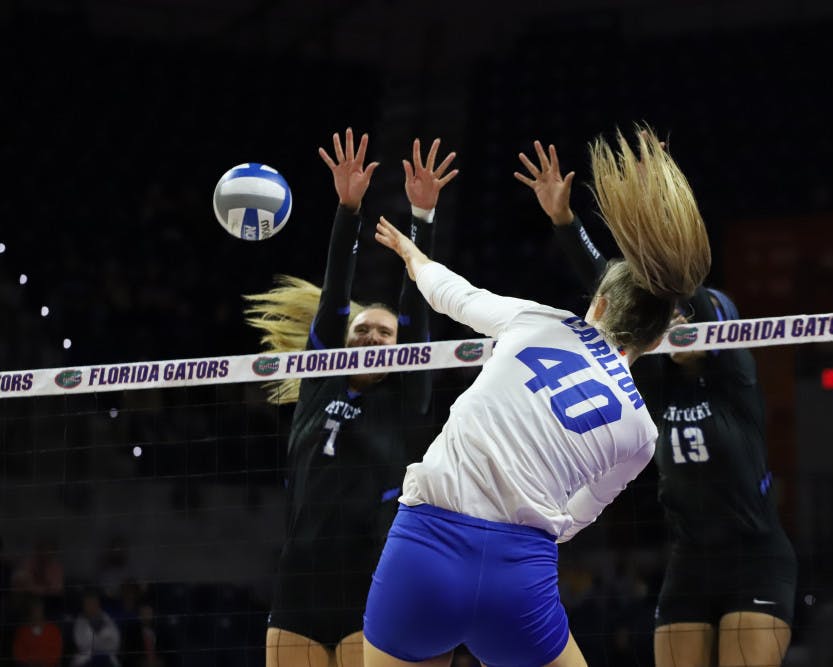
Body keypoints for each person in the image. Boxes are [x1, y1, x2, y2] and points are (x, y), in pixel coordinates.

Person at [362, 125, 711, 667]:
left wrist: (413, 251)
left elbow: (453, 294)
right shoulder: (641, 433)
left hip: (425, 550)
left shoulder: (541, 321)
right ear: (657, 338)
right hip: (518, 573)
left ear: (596, 306)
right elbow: (580, 516)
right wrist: (540, 522)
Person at [516, 139, 797, 667]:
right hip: (688, 561)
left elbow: (685, 284)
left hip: (755, 558)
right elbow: (613, 287)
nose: (682, 325)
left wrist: (655, 203)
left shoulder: (733, 379)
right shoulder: (652, 381)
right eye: (675, 321)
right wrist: (563, 219)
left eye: (693, 320)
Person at [245, 127, 457, 667]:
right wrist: (347, 209)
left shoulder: (408, 396)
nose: (370, 338)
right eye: (361, 330)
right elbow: (335, 292)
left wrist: (421, 223)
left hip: (373, 585)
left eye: (384, 333)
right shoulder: (320, 384)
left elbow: (418, 307)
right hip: (298, 588)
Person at [71, 590, 121, 667]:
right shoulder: (80, 621)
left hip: (107, 660)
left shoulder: (107, 618)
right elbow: (82, 644)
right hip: (85, 661)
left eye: (93, 603)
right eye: (88, 603)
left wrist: (97, 642)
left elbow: (115, 643)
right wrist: (100, 640)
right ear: (84, 606)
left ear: (98, 604)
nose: (91, 606)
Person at [12, 596, 63, 667]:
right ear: (29, 611)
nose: (36, 612)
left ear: (43, 610)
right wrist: (31, 663)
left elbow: (56, 653)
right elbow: (18, 654)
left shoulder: (53, 630)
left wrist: (44, 663)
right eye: (34, 609)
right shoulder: (22, 631)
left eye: (38, 609)